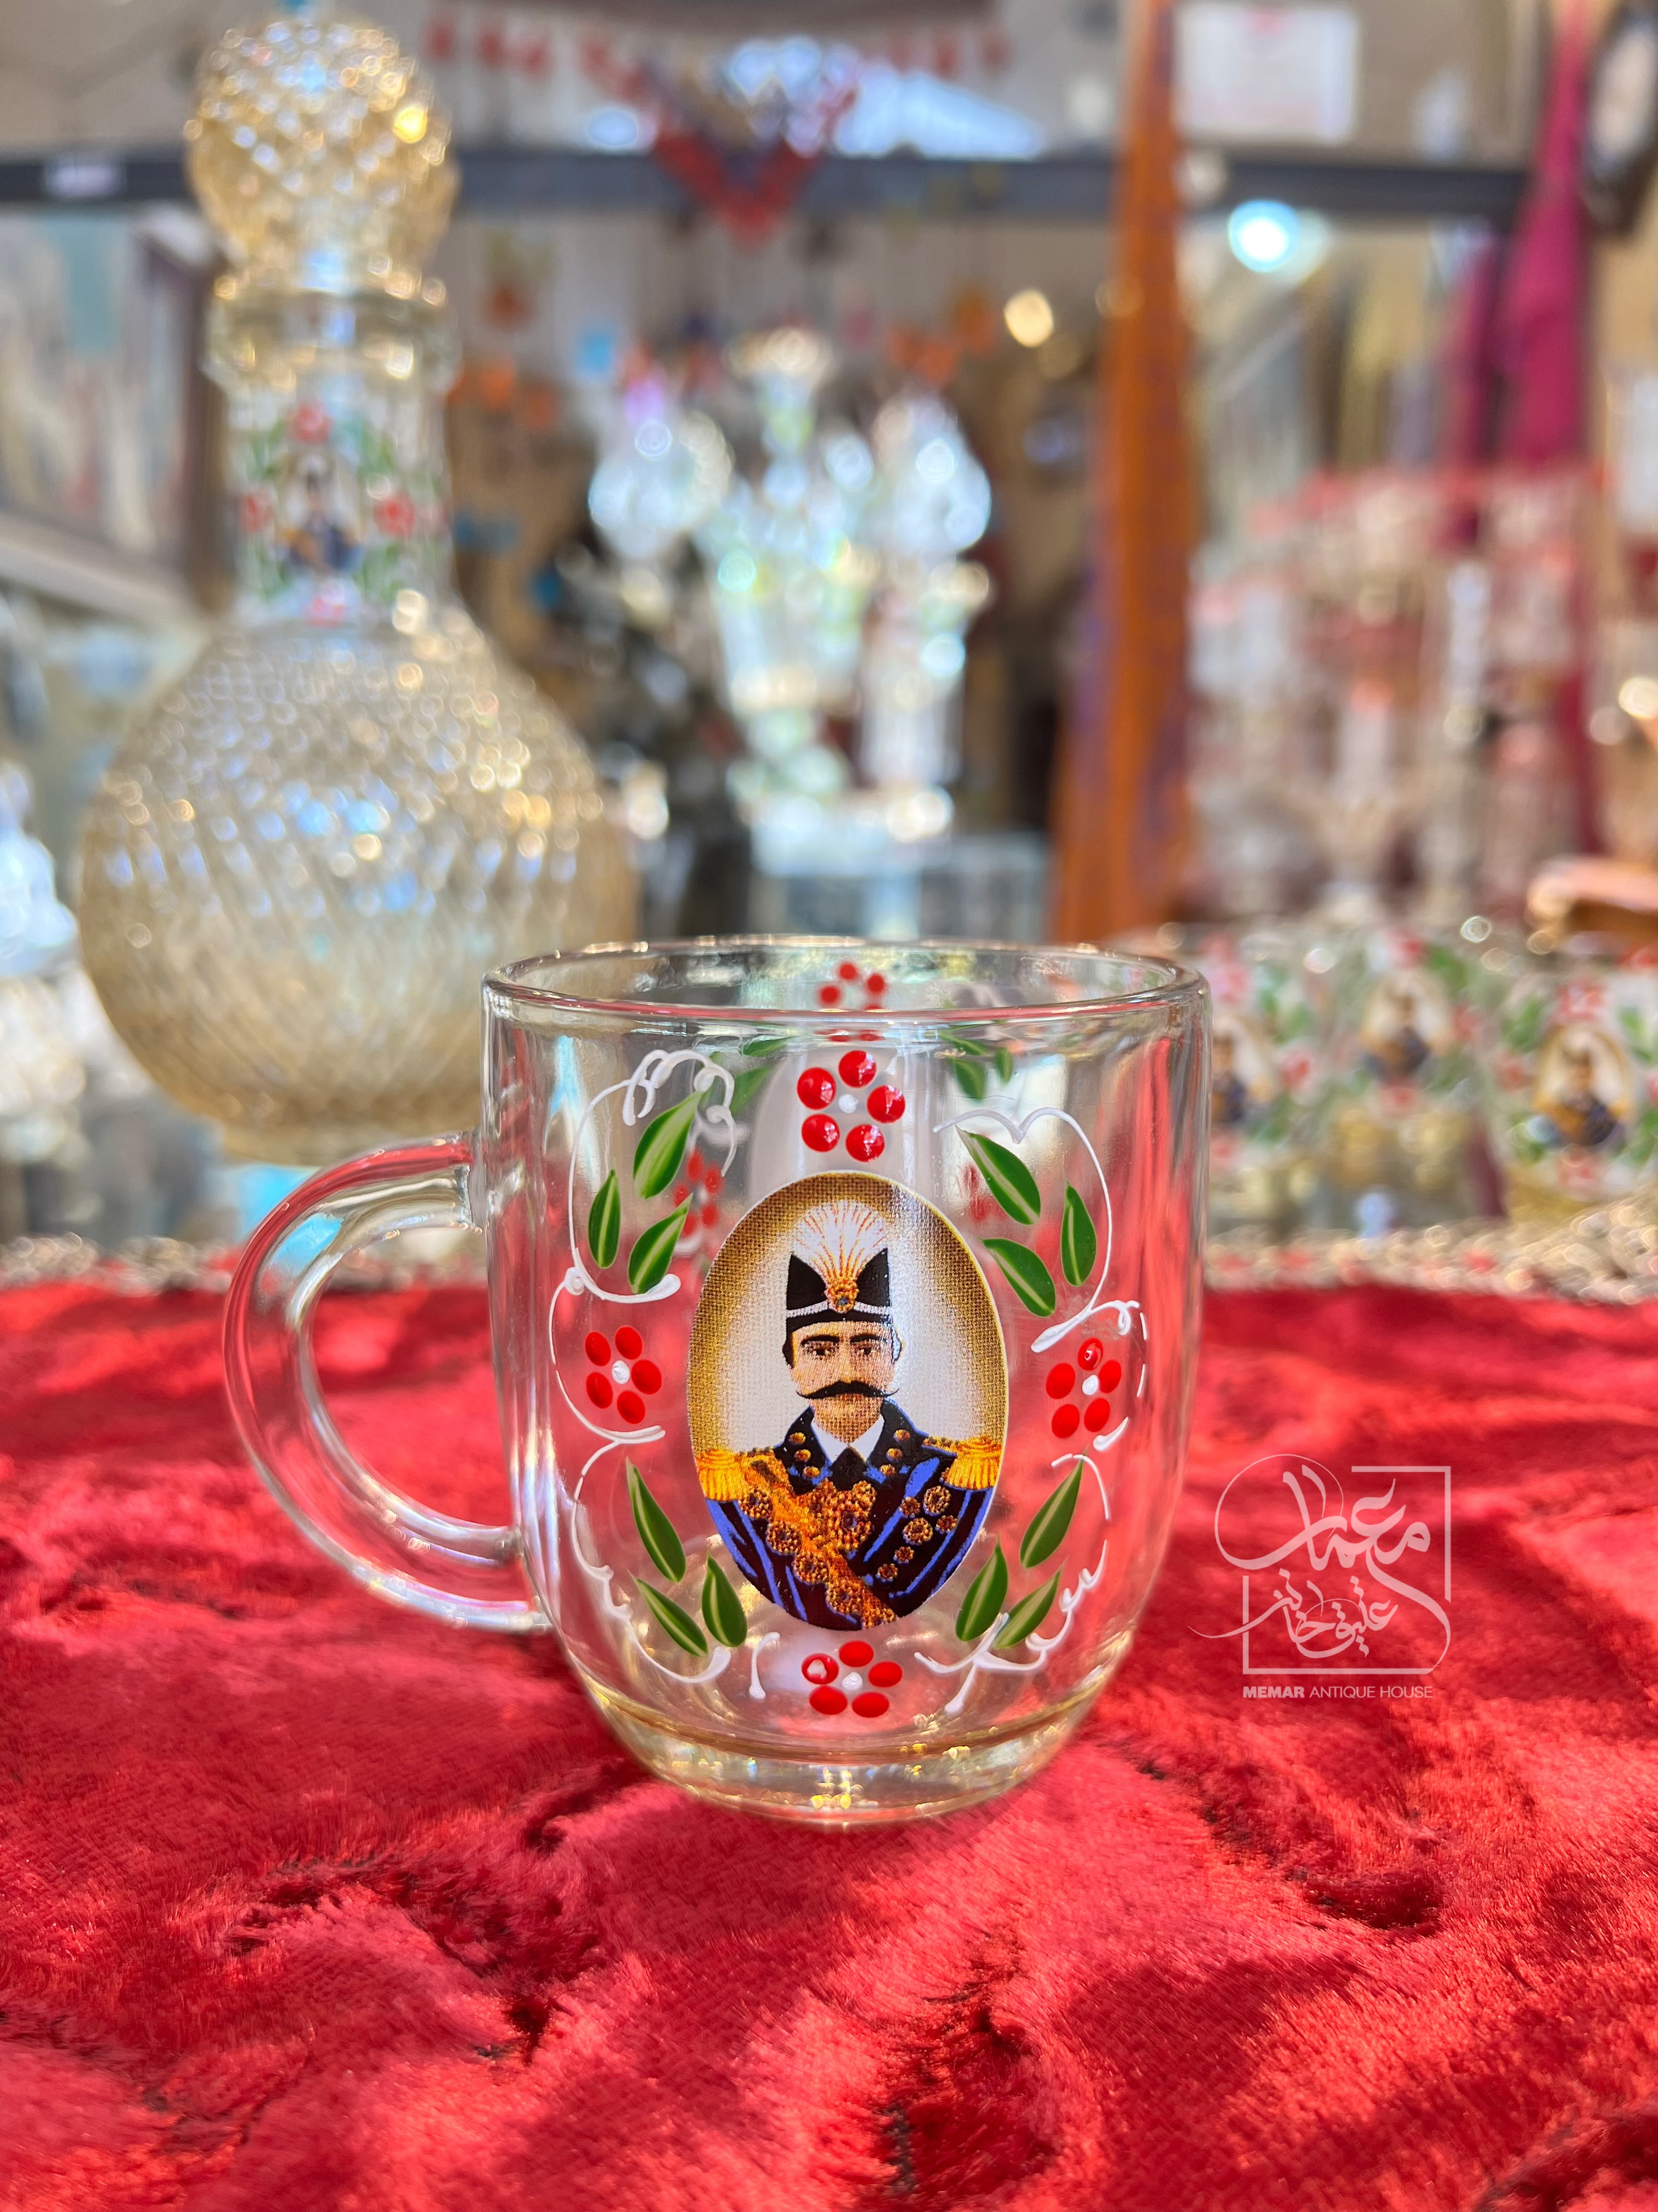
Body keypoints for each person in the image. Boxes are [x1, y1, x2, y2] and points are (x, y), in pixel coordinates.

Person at [697, 1200, 998, 1630]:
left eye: (867, 1348)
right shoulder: (745, 1484)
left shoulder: (956, 1480)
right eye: (820, 1350)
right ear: (791, 1363)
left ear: (896, 1356)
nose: (846, 1373)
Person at [1543, 1040, 1621, 1150]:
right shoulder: (1556, 1110)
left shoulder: (1605, 1114)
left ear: (1592, 1075)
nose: (1581, 1080)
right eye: (1577, 1075)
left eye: (1585, 1074)